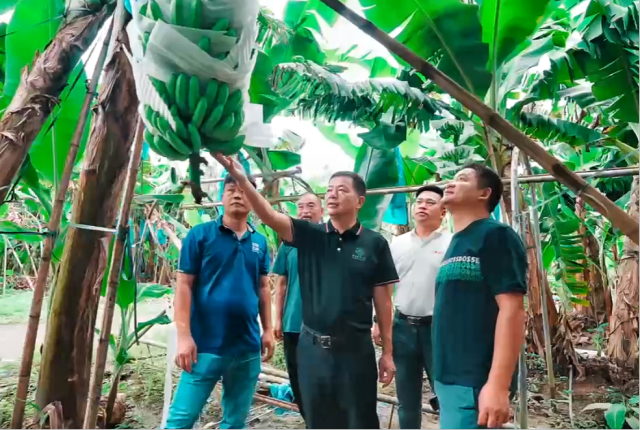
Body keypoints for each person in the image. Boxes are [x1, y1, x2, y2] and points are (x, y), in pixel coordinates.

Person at [214, 153, 399, 429]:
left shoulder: (374, 244)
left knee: (360, 420)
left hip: (356, 350)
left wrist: (388, 352)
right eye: (330, 190)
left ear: (360, 201)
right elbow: (268, 214)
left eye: (342, 190)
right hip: (312, 349)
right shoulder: (310, 235)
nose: (333, 195)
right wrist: (242, 179)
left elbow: (383, 302)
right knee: (318, 419)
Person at [165, 175, 275, 429]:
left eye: (244, 191)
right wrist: (184, 335)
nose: (237, 195)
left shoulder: (259, 241)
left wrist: (268, 330)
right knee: (181, 420)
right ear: (221, 197)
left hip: (247, 346)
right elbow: (184, 285)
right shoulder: (200, 235)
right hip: (204, 344)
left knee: (235, 421)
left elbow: (262, 287)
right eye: (231, 190)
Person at [433, 163, 527, 429]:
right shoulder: (457, 240)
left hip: (474, 380)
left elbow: (513, 310)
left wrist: (497, 385)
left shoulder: (496, 235)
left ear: (484, 193)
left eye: (461, 179)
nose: (450, 183)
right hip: (449, 377)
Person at [372, 185, 452, 429]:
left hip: (438, 330)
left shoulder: (452, 244)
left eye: (430, 202)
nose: (422, 206)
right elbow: (382, 287)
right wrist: (377, 323)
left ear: (443, 211)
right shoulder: (397, 243)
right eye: (419, 202)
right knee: (407, 398)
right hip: (402, 327)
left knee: (447, 396)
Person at [272, 192, 324, 420]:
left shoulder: (331, 240)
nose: (305, 210)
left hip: (323, 327)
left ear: (321, 210)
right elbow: (281, 283)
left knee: (322, 380)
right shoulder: (288, 244)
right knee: (297, 379)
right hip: (293, 324)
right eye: (301, 207)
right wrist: (277, 319)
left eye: (311, 205)